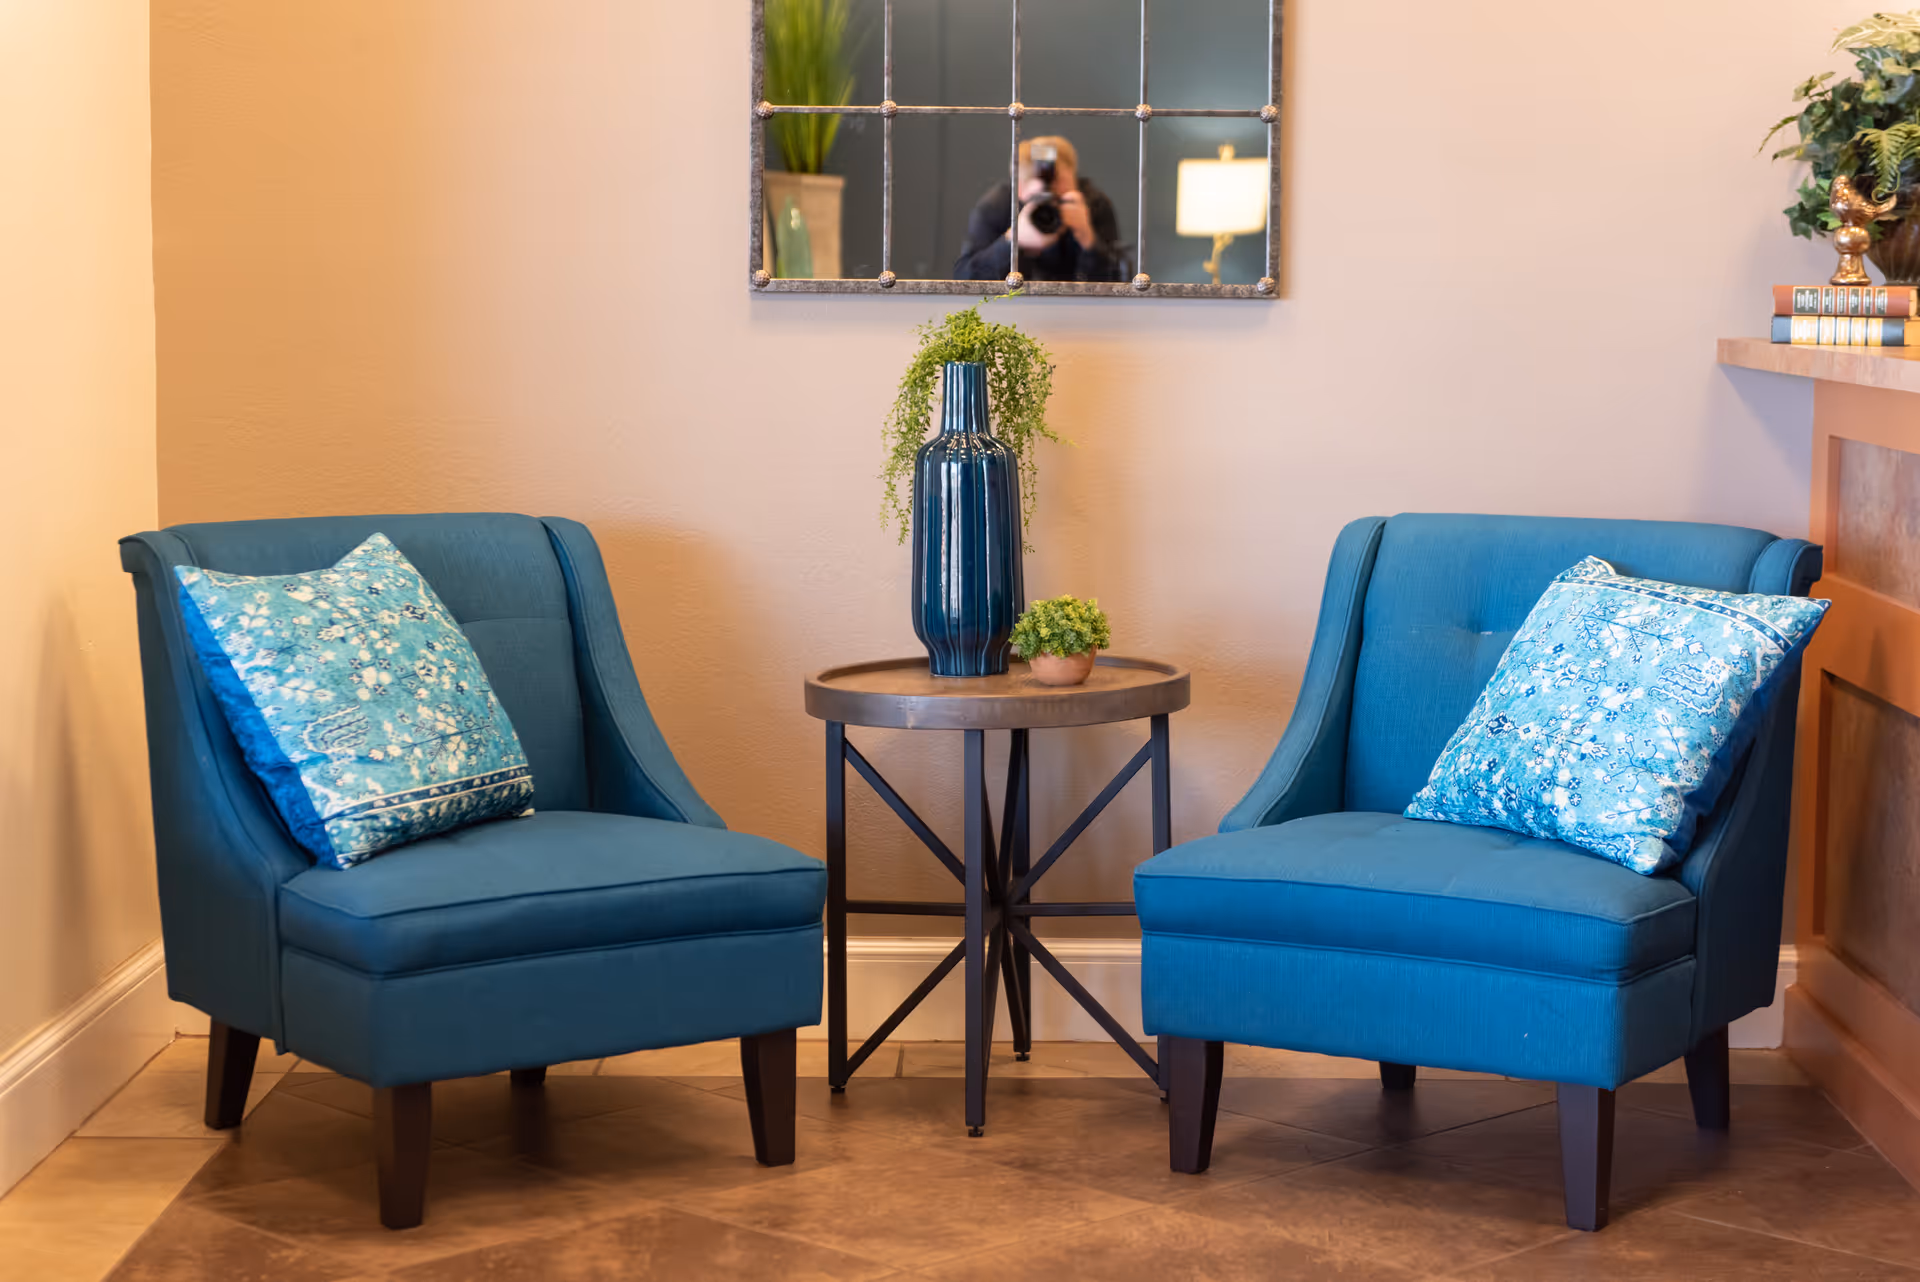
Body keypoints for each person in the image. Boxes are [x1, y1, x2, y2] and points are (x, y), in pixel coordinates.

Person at [953, 136, 1125, 282]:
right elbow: (965, 279)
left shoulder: (1093, 204)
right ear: (1019, 188)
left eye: (1059, 188)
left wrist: (1088, 239)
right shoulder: (998, 205)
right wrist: (1012, 241)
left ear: (1074, 179)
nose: (1050, 201)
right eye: (1038, 196)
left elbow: (1121, 282)